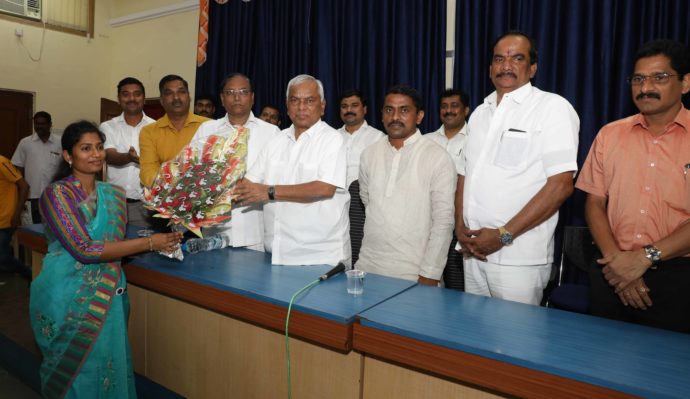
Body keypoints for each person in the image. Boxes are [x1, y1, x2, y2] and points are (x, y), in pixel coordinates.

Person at [30, 121, 182, 398]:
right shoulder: (57, 195)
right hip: (65, 297)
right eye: (85, 148)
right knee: (73, 376)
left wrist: (166, 239)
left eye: (99, 147)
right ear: (68, 155)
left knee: (108, 368)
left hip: (108, 295)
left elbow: (115, 246)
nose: (96, 154)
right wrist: (150, 242)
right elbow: (84, 249)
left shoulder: (114, 195)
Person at [456, 31, 580, 305]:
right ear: (490, 69)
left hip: (518, 258)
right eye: (499, 59)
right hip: (474, 251)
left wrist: (503, 235)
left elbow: (561, 185)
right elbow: (465, 174)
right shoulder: (479, 113)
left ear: (532, 67)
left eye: (517, 58)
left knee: (514, 344)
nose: (506, 66)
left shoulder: (552, 108)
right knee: (471, 341)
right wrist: (459, 227)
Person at [576, 39, 690, 333]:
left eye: (659, 77)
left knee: (667, 373)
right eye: (638, 79)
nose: (645, 87)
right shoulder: (609, 135)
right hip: (611, 269)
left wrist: (643, 259)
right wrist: (618, 265)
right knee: (600, 366)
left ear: (685, 83)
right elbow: (594, 203)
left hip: (678, 275)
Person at [234, 74, 350, 266]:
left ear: (322, 106)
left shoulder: (333, 139)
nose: (301, 107)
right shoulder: (275, 141)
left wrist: (269, 192)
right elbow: (248, 185)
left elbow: (324, 188)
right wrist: (202, 194)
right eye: (295, 100)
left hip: (320, 256)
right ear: (287, 106)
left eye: (309, 101)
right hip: (275, 252)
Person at [355, 86, 456, 284]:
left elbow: (443, 222)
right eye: (389, 110)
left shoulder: (437, 157)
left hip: (414, 273)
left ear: (419, 116)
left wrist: (430, 274)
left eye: (404, 110)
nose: (395, 117)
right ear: (382, 115)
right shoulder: (369, 154)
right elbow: (368, 202)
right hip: (367, 267)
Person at [191, 73, 279, 251]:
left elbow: (279, 179)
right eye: (230, 92)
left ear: (252, 97)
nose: (237, 97)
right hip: (215, 231)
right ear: (222, 99)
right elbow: (192, 172)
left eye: (243, 92)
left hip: (256, 233)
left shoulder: (272, 133)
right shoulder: (207, 129)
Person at [101, 77, 155, 227]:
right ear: (119, 99)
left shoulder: (156, 127)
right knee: (113, 246)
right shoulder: (107, 127)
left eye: (137, 94)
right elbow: (108, 155)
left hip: (145, 206)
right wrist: (129, 157)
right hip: (113, 204)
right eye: (125, 94)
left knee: (144, 247)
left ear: (144, 98)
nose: (131, 98)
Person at [139, 75, 209, 187]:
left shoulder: (209, 126)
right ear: (161, 100)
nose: (176, 97)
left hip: (203, 194)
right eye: (169, 93)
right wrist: (173, 188)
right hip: (165, 196)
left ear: (189, 97)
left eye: (181, 92)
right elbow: (148, 171)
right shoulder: (149, 131)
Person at [11, 111, 62, 223]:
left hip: (55, 196)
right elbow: (18, 167)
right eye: (36, 123)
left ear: (50, 124)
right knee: (33, 231)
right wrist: (20, 193)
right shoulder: (25, 143)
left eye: (42, 123)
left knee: (54, 228)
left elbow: (66, 167)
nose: (39, 127)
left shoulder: (60, 142)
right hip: (31, 196)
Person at [337, 89, 384, 188]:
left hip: (362, 199)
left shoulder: (378, 137)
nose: (349, 110)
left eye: (354, 105)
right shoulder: (332, 137)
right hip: (333, 198)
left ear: (365, 109)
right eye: (344, 106)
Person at [0, 155, 31, 280]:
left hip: (5, 220)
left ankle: (30, 274)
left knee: (2, 257)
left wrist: (17, 214)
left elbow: (24, 186)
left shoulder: (2, 162)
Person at [426, 88, 470, 170]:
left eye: (454, 106)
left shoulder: (474, 140)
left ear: (466, 111)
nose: (448, 110)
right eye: (444, 106)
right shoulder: (426, 140)